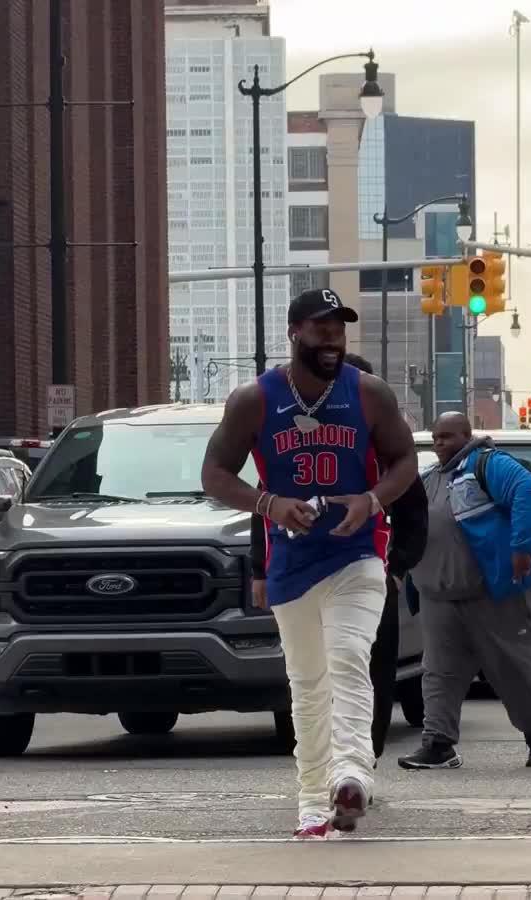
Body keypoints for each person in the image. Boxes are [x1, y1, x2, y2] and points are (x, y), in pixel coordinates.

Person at [202, 288, 417, 839]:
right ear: (295, 331)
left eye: (339, 328)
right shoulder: (256, 399)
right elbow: (215, 474)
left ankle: (352, 776)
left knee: (348, 657)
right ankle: (312, 801)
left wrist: (372, 500)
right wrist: (268, 503)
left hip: (358, 551)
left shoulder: (369, 394)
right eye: (322, 328)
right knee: (307, 681)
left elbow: (404, 460)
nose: (333, 338)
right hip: (291, 560)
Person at [249, 352, 429, 762]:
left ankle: (363, 759)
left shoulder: (389, 458)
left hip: (367, 570)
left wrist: (396, 570)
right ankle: (324, 762)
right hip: (301, 571)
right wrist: (260, 571)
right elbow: (261, 513)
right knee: (313, 673)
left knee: (369, 667)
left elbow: (415, 516)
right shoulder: (286, 449)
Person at [398, 412, 531, 772]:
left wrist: (521, 547)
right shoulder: (429, 480)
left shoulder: (488, 465)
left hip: (491, 593)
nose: (440, 443)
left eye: (449, 437)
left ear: (467, 435)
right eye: (436, 437)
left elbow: (527, 492)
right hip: (438, 595)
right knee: (438, 672)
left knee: (512, 670)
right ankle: (438, 745)